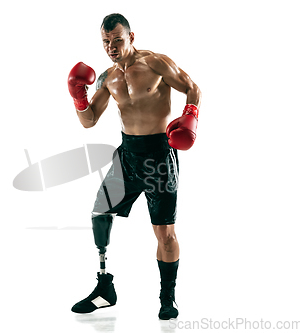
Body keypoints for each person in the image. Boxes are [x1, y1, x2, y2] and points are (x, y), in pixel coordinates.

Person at [67, 13, 201, 320]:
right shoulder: (108, 77)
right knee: (100, 213)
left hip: (158, 158)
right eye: (105, 42)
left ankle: (167, 298)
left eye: (117, 39)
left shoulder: (156, 63)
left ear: (131, 37)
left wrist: (190, 114)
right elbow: (89, 121)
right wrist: (77, 95)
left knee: (165, 233)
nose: (111, 47)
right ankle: (104, 289)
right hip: (127, 156)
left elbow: (193, 87)